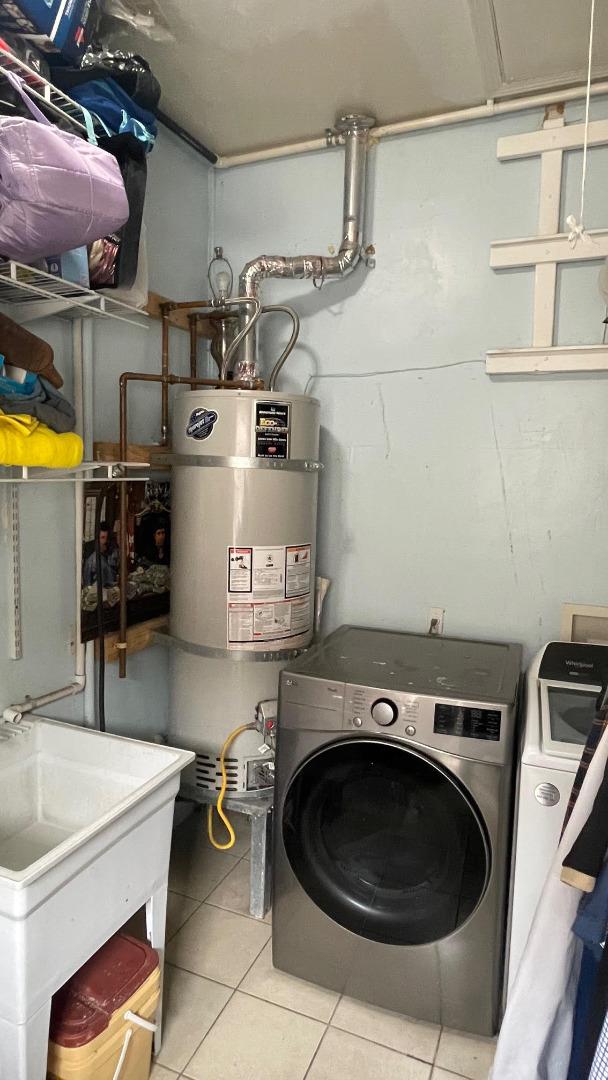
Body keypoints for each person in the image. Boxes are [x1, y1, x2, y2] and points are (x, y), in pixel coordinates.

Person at [83, 521, 118, 587]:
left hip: (112, 585)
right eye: (102, 537)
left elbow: (116, 569)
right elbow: (87, 575)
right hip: (97, 587)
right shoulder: (91, 552)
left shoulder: (112, 548)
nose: (104, 541)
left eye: (106, 538)